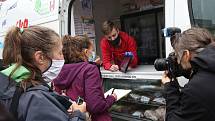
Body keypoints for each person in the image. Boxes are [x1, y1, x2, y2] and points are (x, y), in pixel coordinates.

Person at [0, 26, 86, 121]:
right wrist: (79, 114)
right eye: (60, 53)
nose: (63, 58)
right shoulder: (36, 99)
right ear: (40, 57)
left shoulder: (9, 83)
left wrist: (55, 102)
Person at [53, 35, 117, 121]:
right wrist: (111, 98)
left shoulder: (59, 70)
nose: (93, 54)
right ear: (86, 52)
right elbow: (95, 106)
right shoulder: (89, 69)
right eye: (92, 51)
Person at [162, 27, 215, 121]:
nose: (178, 62)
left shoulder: (194, 90)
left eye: (178, 57)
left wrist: (170, 88)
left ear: (186, 55)